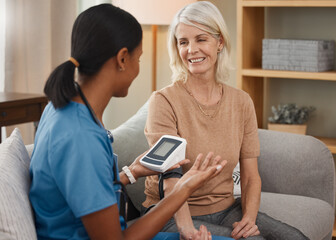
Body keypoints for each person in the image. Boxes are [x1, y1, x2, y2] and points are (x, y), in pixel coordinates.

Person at [28, 4, 229, 240]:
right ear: (123, 58)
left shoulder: (62, 107)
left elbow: (82, 186)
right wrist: (184, 189)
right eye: (139, 59)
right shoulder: (80, 137)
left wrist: (132, 172)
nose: (138, 69)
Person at [142, 1, 309, 240]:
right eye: (183, 42)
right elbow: (170, 180)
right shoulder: (164, 101)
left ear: (219, 42)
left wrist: (249, 220)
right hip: (169, 213)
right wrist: (187, 229)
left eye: (201, 39)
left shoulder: (241, 102)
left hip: (225, 209)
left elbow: (251, 176)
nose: (191, 50)